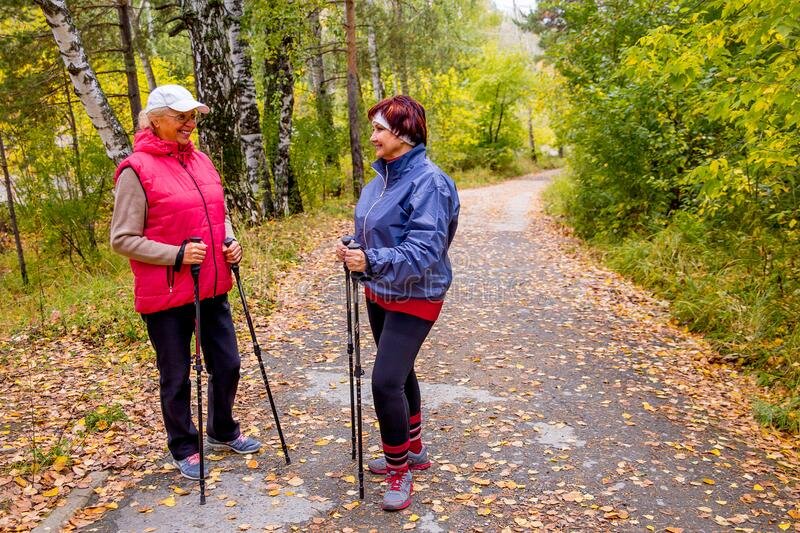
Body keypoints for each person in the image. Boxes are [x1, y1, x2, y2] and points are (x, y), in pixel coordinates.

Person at [110, 84, 260, 480]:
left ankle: (221, 430)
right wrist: (175, 255)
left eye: (193, 116)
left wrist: (230, 241)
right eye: (181, 117)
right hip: (167, 292)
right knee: (176, 376)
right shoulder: (135, 169)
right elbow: (122, 239)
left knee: (227, 365)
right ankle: (183, 446)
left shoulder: (202, 162)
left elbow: (217, 214)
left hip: (212, 284)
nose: (190, 124)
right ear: (154, 120)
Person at [335, 95, 460, 511]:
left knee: (384, 380)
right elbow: (377, 232)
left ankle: (398, 471)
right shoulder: (380, 179)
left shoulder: (431, 182)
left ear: (403, 135)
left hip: (418, 293)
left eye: (378, 130)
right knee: (401, 373)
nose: (372, 137)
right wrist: (356, 246)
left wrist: (371, 260)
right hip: (380, 289)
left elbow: (425, 249)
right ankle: (414, 449)